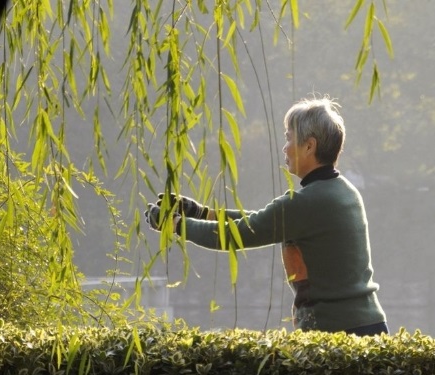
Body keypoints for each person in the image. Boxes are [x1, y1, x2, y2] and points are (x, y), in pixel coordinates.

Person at [145, 96, 388, 336]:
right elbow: (260, 221)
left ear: (309, 146)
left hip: (339, 332)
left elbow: (236, 234)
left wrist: (175, 224)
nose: (285, 147)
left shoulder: (306, 202)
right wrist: (202, 213)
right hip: (369, 327)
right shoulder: (344, 191)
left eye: (289, 138)